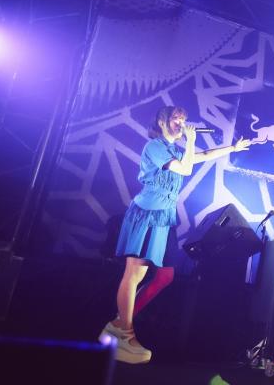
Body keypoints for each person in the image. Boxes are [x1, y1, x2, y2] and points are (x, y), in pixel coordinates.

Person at [101, 106, 251, 364]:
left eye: (183, 118)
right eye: (175, 119)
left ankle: (118, 323)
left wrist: (233, 148)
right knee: (135, 274)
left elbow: (204, 155)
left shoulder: (176, 151)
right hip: (148, 213)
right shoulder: (155, 147)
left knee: (165, 276)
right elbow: (184, 169)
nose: (181, 122)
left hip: (165, 217)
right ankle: (125, 332)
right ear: (162, 122)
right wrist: (191, 141)